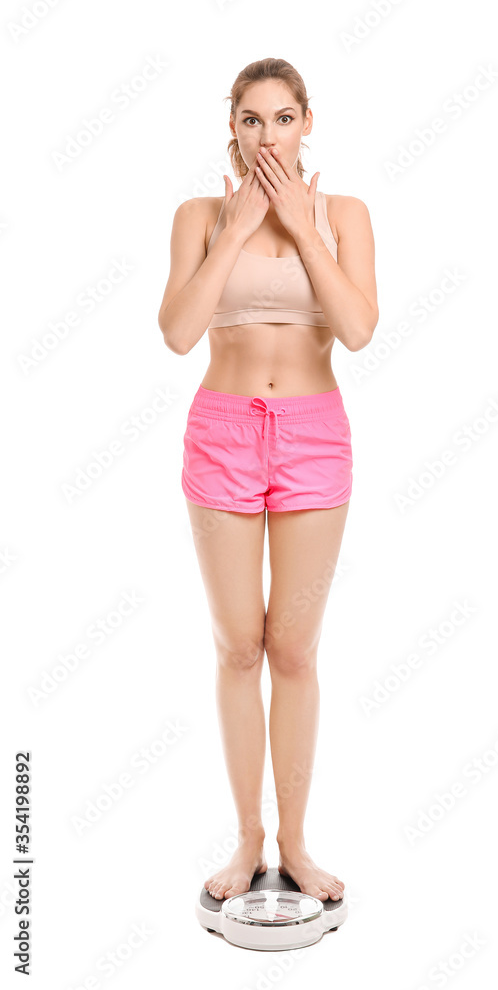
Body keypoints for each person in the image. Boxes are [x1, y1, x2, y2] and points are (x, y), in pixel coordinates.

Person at [158, 58, 378, 903]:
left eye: (282, 119)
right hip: (221, 432)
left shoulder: (344, 213)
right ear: (232, 130)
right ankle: (247, 839)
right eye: (251, 120)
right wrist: (244, 224)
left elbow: (357, 326)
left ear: (307, 122)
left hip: (314, 436)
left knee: (293, 650)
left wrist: (298, 222)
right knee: (237, 646)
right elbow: (180, 332)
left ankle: (296, 839)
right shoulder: (200, 214)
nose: (267, 136)